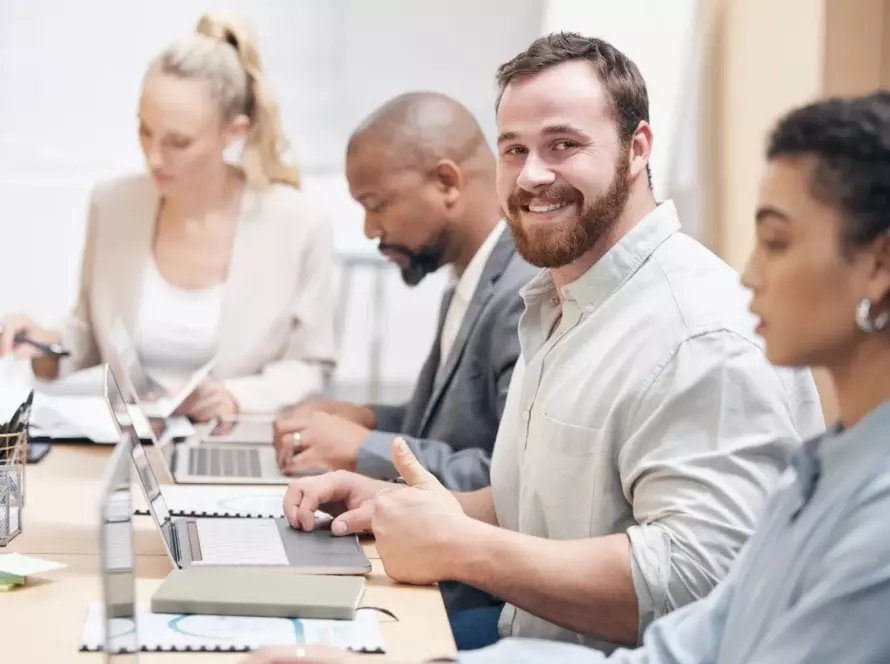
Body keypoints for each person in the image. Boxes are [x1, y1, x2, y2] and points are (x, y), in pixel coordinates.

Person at [244, 88, 890, 664]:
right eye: (514, 149)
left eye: (776, 242)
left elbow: (688, 585)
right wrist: (402, 509)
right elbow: (685, 640)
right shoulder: (567, 302)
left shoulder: (701, 335)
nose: (749, 273)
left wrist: (460, 546)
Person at [0, 12, 336, 420]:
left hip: (237, 443)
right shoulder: (113, 206)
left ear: (234, 131)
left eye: (179, 141)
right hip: (132, 448)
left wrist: (234, 397)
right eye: (145, 131)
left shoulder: (297, 222)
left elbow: (311, 365)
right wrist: (41, 343)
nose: (154, 157)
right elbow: (88, 333)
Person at [272, 93, 536, 493]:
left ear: (446, 182)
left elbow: (508, 485)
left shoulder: (524, 296)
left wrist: (362, 448)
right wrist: (368, 419)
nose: (369, 230)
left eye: (377, 205)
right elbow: (450, 433)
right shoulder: (470, 279)